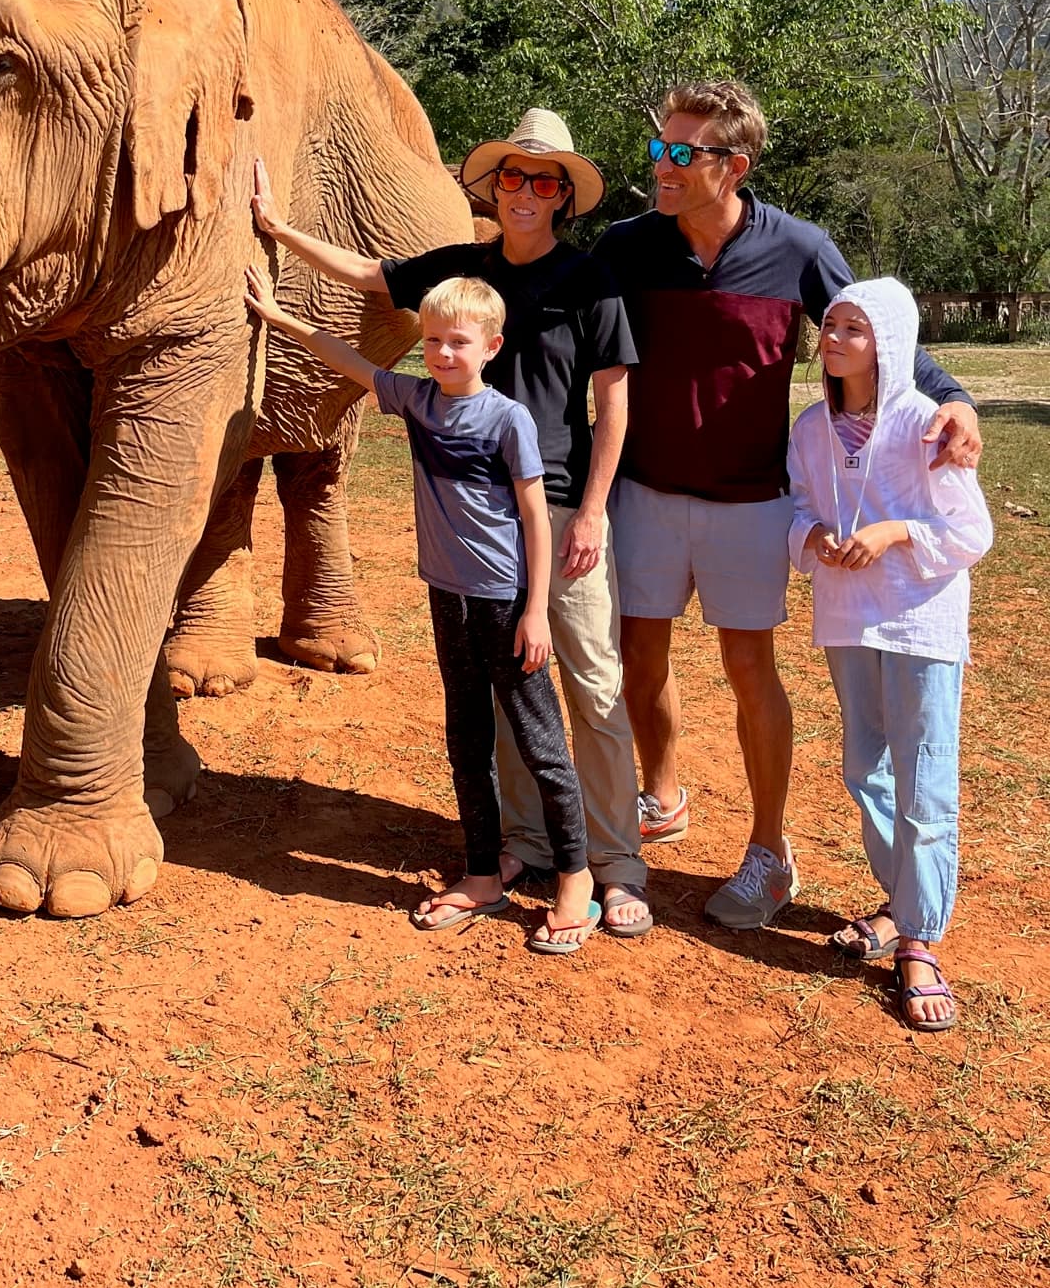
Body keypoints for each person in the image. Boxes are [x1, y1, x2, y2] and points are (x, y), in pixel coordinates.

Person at [251, 110, 650, 937]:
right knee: (504, 701)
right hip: (473, 533)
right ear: (495, 187)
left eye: (545, 182)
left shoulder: (591, 281)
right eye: (513, 177)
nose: (527, 193)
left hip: (559, 506)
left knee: (589, 685)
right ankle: (524, 843)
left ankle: (613, 864)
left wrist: (596, 513)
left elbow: (613, 404)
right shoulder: (462, 276)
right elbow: (369, 279)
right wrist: (278, 230)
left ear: (564, 196)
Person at [594, 80, 983, 928]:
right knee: (639, 657)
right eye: (660, 147)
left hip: (750, 501)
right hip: (644, 493)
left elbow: (873, 328)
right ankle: (661, 796)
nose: (659, 164)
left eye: (679, 152)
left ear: (732, 166)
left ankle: (770, 852)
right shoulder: (628, 246)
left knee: (747, 669)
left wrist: (954, 397)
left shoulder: (798, 248)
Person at [243, 266, 599, 953]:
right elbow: (349, 359)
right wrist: (280, 318)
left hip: (504, 602)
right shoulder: (417, 400)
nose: (442, 354)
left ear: (492, 346)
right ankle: (480, 874)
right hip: (447, 596)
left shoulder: (507, 419)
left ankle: (576, 878)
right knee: (466, 735)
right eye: (432, 341)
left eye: (458, 342)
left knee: (539, 742)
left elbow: (535, 516)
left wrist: (534, 611)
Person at [788, 279, 991, 1030]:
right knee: (863, 767)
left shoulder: (923, 426)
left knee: (924, 777)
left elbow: (972, 535)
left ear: (890, 344)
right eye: (831, 325)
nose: (834, 339)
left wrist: (894, 534)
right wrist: (811, 540)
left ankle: (918, 939)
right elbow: (800, 509)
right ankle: (904, 901)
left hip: (920, 623)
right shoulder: (811, 428)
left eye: (854, 329)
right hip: (847, 619)